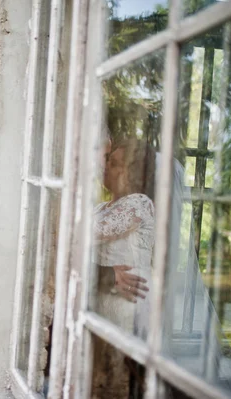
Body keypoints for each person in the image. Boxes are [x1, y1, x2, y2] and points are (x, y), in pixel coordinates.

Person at [91, 137, 156, 398]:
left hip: (129, 302)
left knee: (122, 374)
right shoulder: (99, 207)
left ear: (134, 171)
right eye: (108, 161)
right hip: (104, 296)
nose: (106, 167)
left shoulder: (139, 203)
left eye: (115, 164)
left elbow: (91, 231)